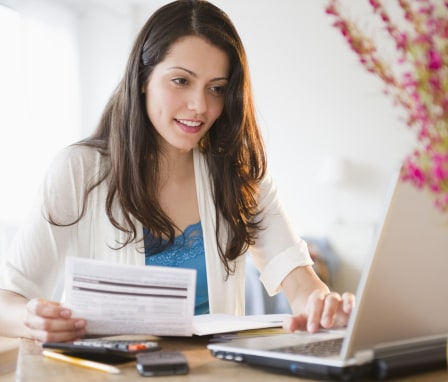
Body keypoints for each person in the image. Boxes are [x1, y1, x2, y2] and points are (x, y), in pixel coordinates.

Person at [0, 0, 354, 344]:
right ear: (142, 78)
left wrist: (323, 308)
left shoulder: (239, 175)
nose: (200, 106)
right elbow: (6, 301)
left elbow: (301, 284)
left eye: (216, 88)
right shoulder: (78, 171)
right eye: (181, 81)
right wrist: (32, 318)